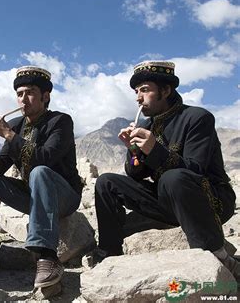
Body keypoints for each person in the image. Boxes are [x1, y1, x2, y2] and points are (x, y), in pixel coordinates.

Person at [94, 60, 238, 277]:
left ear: (166, 90)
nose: (138, 98)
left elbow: (195, 170)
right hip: (167, 202)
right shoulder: (147, 127)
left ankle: (218, 257)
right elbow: (135, 174)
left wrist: (154, 149)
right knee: (106, 182)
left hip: (209, 201)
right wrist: (134, 150)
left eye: (144, 90)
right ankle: (109, 255)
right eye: (136, 91)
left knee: (174, 177)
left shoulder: (197, 118)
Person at [0, 66, 83, 288]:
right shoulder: (18, 125)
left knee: (40, 171)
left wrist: (8, 134)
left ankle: (47, 256)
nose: (22, 100)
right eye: (19, 94)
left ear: (45, 96)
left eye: (29, 93)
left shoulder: (60, 121)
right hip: (33, 197)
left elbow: (44, 158)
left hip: (64, 197)